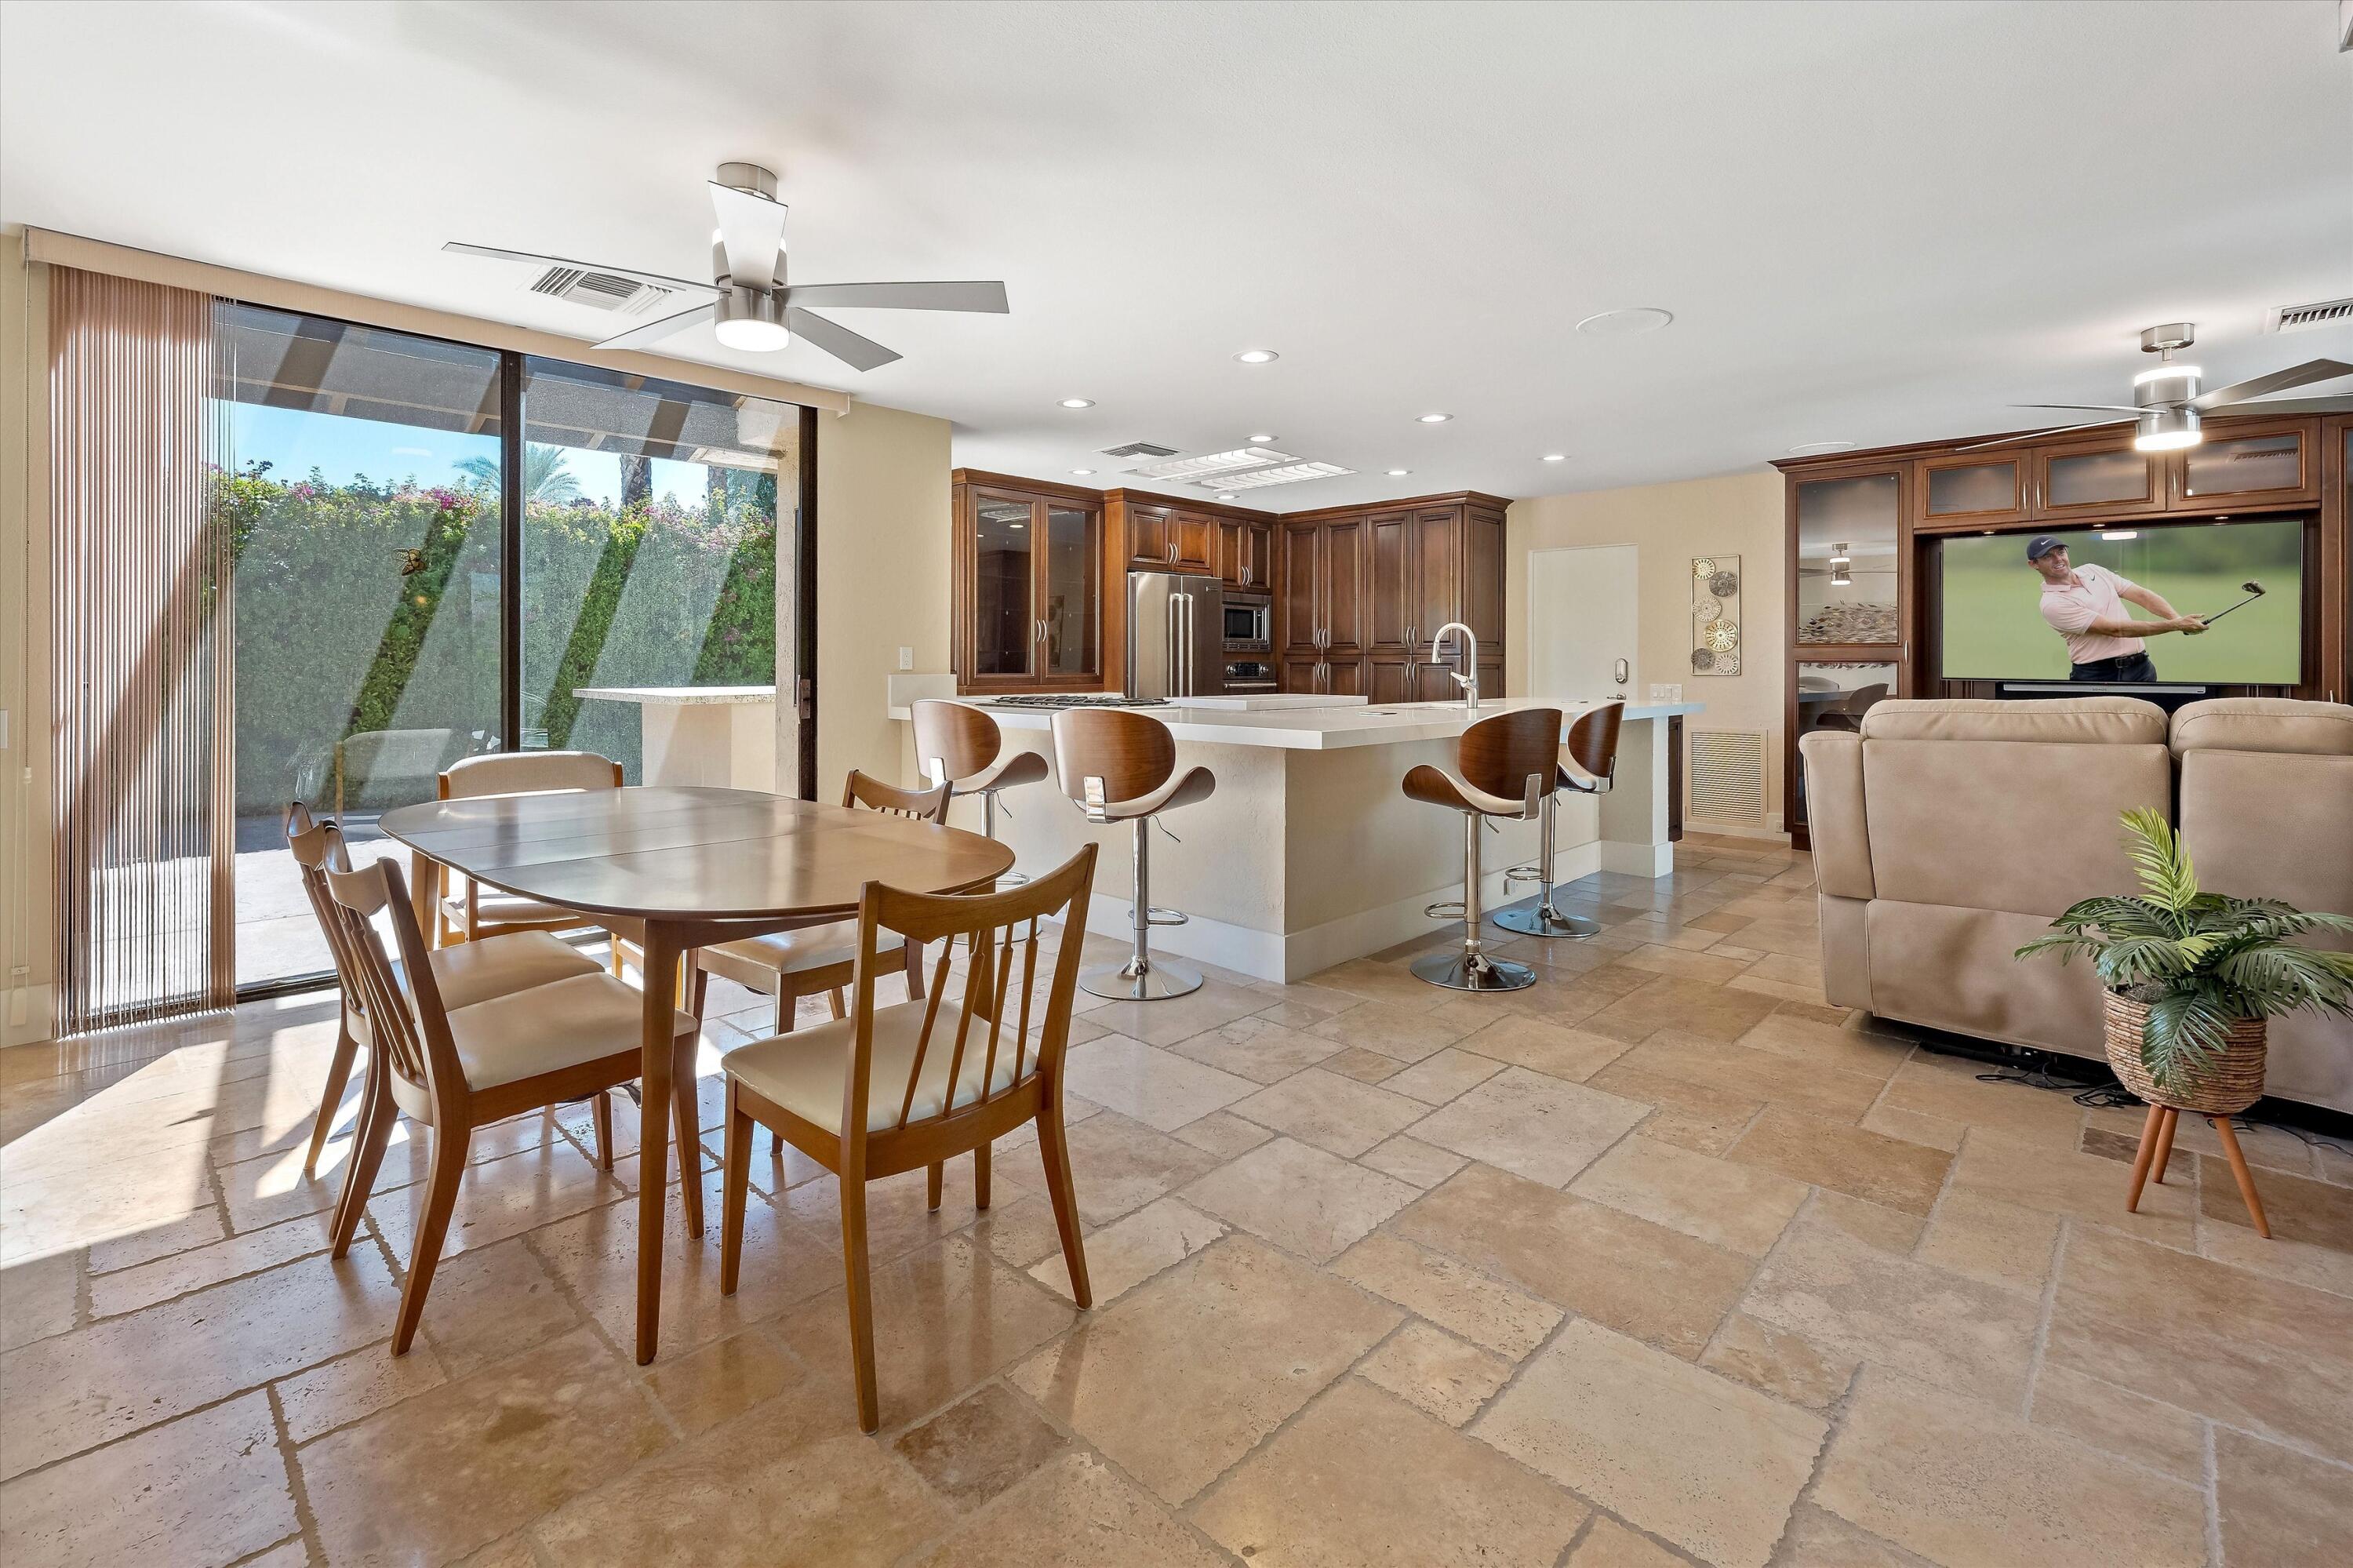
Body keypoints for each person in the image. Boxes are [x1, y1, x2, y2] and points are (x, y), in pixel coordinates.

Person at [2026, 536, 2203, 682]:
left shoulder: (2092, 570)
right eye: (2048, 557)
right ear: (2034, 564)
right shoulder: (2052, 604)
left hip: (2142, 668)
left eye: (2061, 552)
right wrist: (2176, 625)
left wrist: (2178, 619)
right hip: (2100, 675)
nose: (2058, 559)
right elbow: (2115, 629)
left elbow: (2141, 595)